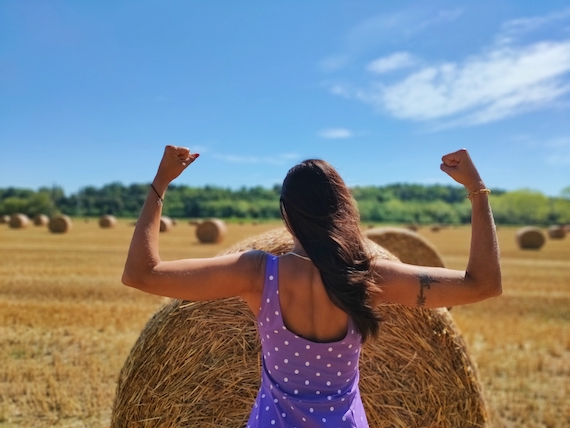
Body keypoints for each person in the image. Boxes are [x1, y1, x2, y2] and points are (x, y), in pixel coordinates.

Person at [122, 145, 501, 428]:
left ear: (287, 214)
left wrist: (160, 184)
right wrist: (477, 190)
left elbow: (142, 273)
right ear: (344, 211)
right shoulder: (368, 277)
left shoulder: (258, 274)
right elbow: (482, 284)